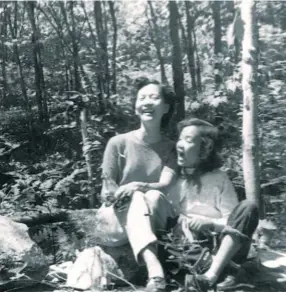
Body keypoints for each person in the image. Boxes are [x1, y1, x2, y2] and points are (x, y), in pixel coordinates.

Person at [118, 118, 259, 292]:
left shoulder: (219, 178)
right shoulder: (171, 177)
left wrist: (209, 223)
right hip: (181, 246)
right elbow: (164, 215)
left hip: (217, 245)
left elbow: (233, 221)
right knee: (151, 197)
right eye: (180, 138)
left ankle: (211, 274)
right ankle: (220, 271)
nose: (180, 144)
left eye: (188, 140)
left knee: (248, 207)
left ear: (204, 149)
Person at [99, 77, 177, 290]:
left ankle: (155, 275)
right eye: (142, 98)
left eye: (154, 97)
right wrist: (115, 193)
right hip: (117, 218)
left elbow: (165, 185)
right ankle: (155, 269)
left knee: (147, 195)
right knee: (136, 197)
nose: (147, 102)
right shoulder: (118, 143)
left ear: (166, 108)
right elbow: (106, 192)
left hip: (156, 215)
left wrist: (138, 186)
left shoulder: (171, 148)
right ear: (135, 107)